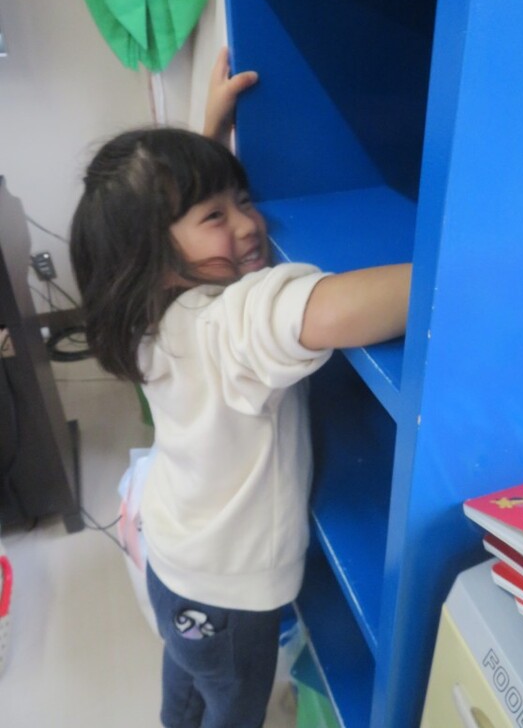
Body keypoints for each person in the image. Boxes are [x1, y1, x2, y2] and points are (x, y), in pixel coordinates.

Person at [70, 49, 412, 728]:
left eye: (243, 200)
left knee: (186, 667)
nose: (250, 225)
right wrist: (454, 264)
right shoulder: (225, 324)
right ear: (153, 254)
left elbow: (172, 226)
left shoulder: (143, 314)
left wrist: (210, 136)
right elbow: (321, 312)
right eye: (216, 217)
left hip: (174, 563)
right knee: (236, 702)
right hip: (229, 598)